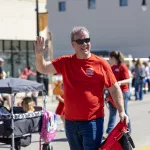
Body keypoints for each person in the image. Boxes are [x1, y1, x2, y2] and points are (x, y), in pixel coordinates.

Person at [34, 26, 128, 150]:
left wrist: (121, 111)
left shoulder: (101, 63)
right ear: (73, 44)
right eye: (80, 41)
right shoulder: (66, 62)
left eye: (87, 40)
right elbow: (43, 68)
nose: (84, 44)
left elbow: (114, 89)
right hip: (71, 123)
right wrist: (39, 55)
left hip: (92, 122)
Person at [104, 51, 131, 139]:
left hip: (123, 92)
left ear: (113, 58)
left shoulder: (122, 67)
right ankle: (109, 132)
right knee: (112, 113)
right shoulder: (111, 67)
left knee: (124, 112)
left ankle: (127, 130)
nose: (109, 60)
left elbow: (128, 80)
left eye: (110, 58)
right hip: (112, 93)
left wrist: (119, 83)